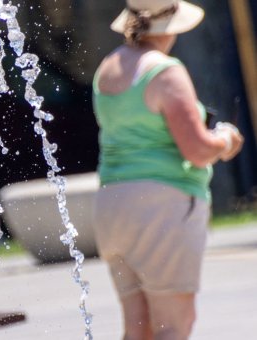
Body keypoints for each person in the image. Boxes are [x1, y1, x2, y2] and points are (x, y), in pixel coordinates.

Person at [92, 1, 244, 339]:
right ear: (171, 25)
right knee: (173, 327)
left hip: (111, 205)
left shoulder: (108, 66)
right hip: (161, 205)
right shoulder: (164, 70)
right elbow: (197, 150)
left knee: (137, 328)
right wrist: (225, 140)